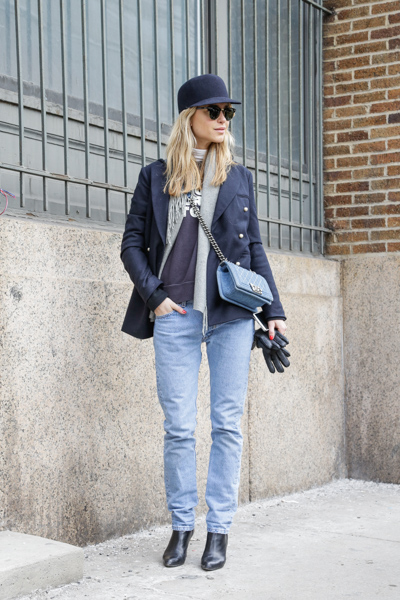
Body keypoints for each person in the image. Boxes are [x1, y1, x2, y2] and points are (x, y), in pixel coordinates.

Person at [120, 74, 287, 571]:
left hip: (230, 317)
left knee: (227, 425)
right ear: (188, 117)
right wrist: (155, 298)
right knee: (178, 428)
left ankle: (219, 530)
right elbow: (131, 244)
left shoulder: (237, 177)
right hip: (175, 315)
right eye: (213, 111)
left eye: (227, 112)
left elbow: (254, 248)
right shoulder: (155, 176)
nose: (222, 119)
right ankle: (181, 526)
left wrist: (273, 312)